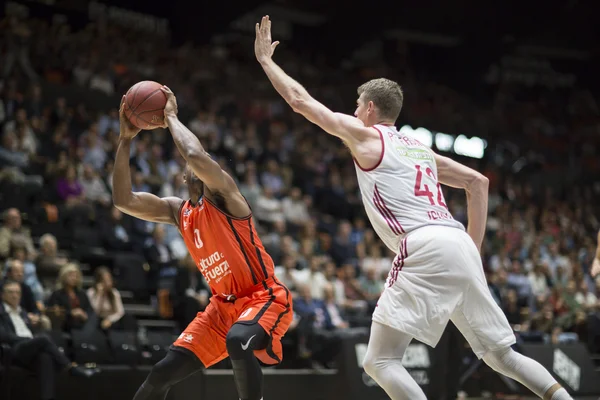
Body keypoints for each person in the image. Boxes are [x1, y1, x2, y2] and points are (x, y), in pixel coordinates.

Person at [255, 15, 572, 400]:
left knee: (380, 361)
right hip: (458, 241)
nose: (354, 113)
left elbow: (300, 101)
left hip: (423, 243)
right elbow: (478, 183)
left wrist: (267, 62)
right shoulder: (419, 148)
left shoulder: (368, 136)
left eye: (357, 106)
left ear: (370, 108)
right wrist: (473, 249)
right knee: (501, 354)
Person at [113, 88, 292, 400]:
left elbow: (195, 155)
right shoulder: (177, 211)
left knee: (238, 341)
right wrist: (126, 139)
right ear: (183, 178)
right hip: (219, 308)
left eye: (207, 161)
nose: (198, 163)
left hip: (262, 297)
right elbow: (123, 200)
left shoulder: (226, 197)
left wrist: (170, 117)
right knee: (161, 373)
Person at [0, 280, 98, 400]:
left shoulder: (23, 312)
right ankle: (71, 367)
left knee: (45, 357)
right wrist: (29, 339)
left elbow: (31, 331)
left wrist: (35, 331)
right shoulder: (1, 312)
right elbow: (4, 335)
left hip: (31, 347)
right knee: (44, 339)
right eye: (11, 292)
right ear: (2, 294)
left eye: (17, 292)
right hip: (14, 349)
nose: (15, 295)